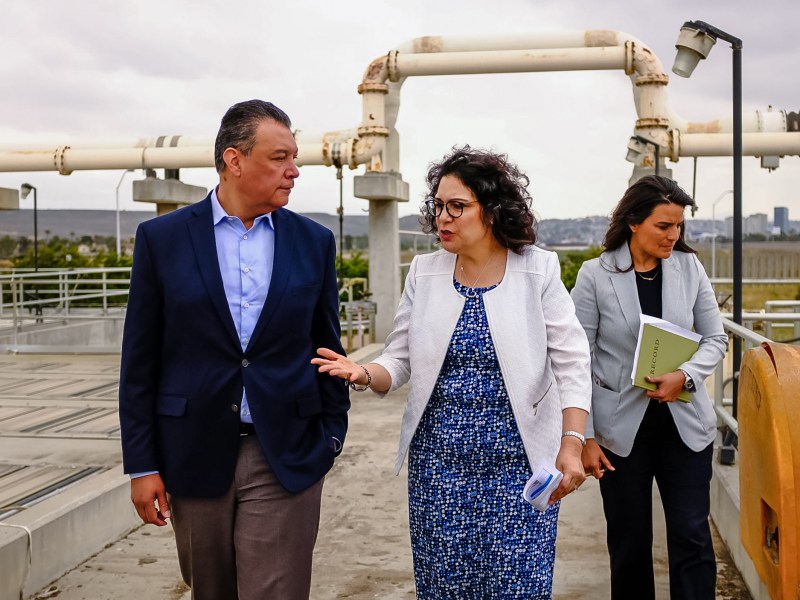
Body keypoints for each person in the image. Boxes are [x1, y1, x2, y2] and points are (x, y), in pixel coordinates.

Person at [312, 146, 591, 598]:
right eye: (438, 205)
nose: (443, 217)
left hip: (519, 468)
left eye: (457, 206)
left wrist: (572, 443)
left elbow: (573, 361)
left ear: (494, 210)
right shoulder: (425, 272)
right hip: (439, 470)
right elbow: (398, 359)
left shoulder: (537, 269)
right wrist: (364, 373)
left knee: (518, 588)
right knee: (444, 588)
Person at [118, 99, 350, 600]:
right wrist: (142, 465)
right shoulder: (162, 239)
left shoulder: (313, 242)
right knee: (210, 591)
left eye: (296, 160)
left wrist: (331, 436)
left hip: (286, 452)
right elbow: (140, 362)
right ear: (234, 160)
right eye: (279, 157)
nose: (293, 171)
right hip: (192, 452)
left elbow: (328, 347)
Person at [570, 175, 727, 599]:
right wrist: (582, 437)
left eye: (679, 226)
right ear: (634, 222)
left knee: (692, 537)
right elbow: (574, 359)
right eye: (664, 226)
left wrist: (686, 376)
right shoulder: (594, 276)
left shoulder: (690, 267)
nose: (674, 236)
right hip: (619, 434)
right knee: (629, 545)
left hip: (685, 427)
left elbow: (716, 338)